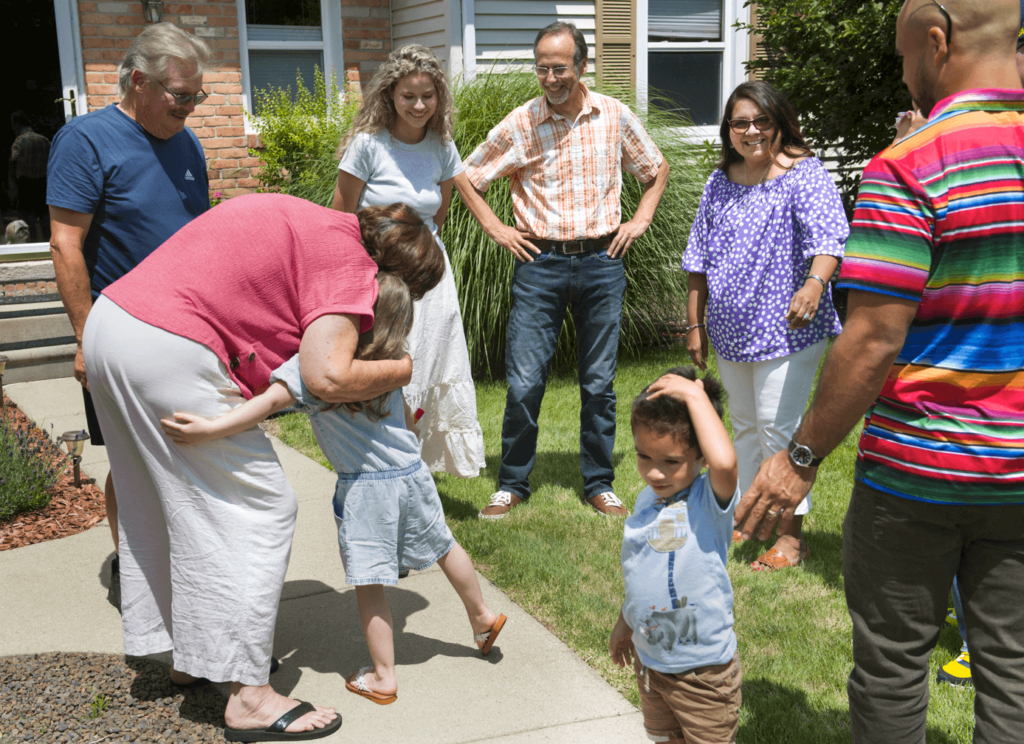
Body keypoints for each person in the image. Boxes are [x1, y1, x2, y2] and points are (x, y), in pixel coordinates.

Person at [735, 1, 1024, 740]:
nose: (905, 73)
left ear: (938, 41)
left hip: (917, 474)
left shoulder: (913, 161)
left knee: (894, 667)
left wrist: (799, 459)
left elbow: (871, 340)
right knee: (1014, 668)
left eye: (903, 57)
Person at [83, 194, 445, 740]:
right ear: (395, 274)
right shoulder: (353, 265)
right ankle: (249, 699)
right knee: (261, 506)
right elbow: (326, 376)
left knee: (161, 500)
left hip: (112, 323)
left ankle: (192, 655)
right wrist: (401, 368)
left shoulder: (314, 222)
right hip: (172, 344)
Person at [160, 272, 508, 706]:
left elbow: (264, 406)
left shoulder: (317, 369)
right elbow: (408, 420)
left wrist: (211, 428)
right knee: (444, 544)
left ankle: (384, 677)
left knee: (370, 582)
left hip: (367, 489)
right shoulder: (392, 362)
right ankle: (482, 616)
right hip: (412, 473)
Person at [459, 21, 670, 519]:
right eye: (542, 68)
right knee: (526, 379)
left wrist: (640, 219)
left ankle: (599, 483)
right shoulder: (521, 123)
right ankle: (511, 483)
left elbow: (655, 168)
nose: (550, 78)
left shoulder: (614, 116)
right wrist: (496, 228)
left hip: (602, 261)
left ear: (581, 67)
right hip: (540, 264)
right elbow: (467, 177)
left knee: (598, 382)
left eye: (559, 68)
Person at [46, 23, 214, 606]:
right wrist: (86, 339)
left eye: (199, 97)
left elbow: (197, 238)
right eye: (181, 95)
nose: (190, 108)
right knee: (132, 456)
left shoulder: (186, 142)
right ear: (138, 81)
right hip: (122, 337)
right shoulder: (85, 140)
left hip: (187, 336)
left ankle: (183, 568)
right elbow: (66, 243)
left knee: (189, 453)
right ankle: (136, 568)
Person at [682, 80, 848, 570]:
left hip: (788, 328)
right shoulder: (720, 181)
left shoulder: (803, 173)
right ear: (728, 130)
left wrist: (815, 284)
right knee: (747, 429)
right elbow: (698, 259)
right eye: (740, 123)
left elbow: (830, 238)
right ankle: (753, 520)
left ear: (779, 123)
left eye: (761, 121)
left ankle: (792, 539)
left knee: (780, 430)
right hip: (733, 331)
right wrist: (696, 325)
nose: (751, 131)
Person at [332, 44, 485, 478]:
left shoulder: (442, 144)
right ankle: (383, 461)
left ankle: (417, 469)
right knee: (389, 365)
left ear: (439, 98)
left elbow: (439, 210)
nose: (419, 105)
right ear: (390, 96)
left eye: (428, 96)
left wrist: (420, 251)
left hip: (431, 275)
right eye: (408, 96)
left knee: (432, 364)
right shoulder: (368, 145)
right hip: (380, 276)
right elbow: (341, 212)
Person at [609, 366, 741, 743]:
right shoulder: (645, 501)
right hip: (653, 664)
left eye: (671, 462)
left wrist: (696, 397)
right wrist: (626, 621)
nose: (654, 473)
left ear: (700, 457)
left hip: (703, 675)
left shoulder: (708, 502)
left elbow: (726, 462)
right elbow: (642, 571)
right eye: (644, 457)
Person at [9, 111, 51, 242]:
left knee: (27, 221)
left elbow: (13, 161)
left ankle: (30, 244)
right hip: (43, 184)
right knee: (45, 219)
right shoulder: (44, 140)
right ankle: (47, 244)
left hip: (26, 185)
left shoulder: (20, 140)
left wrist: (13, 182)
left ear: (16, 124)